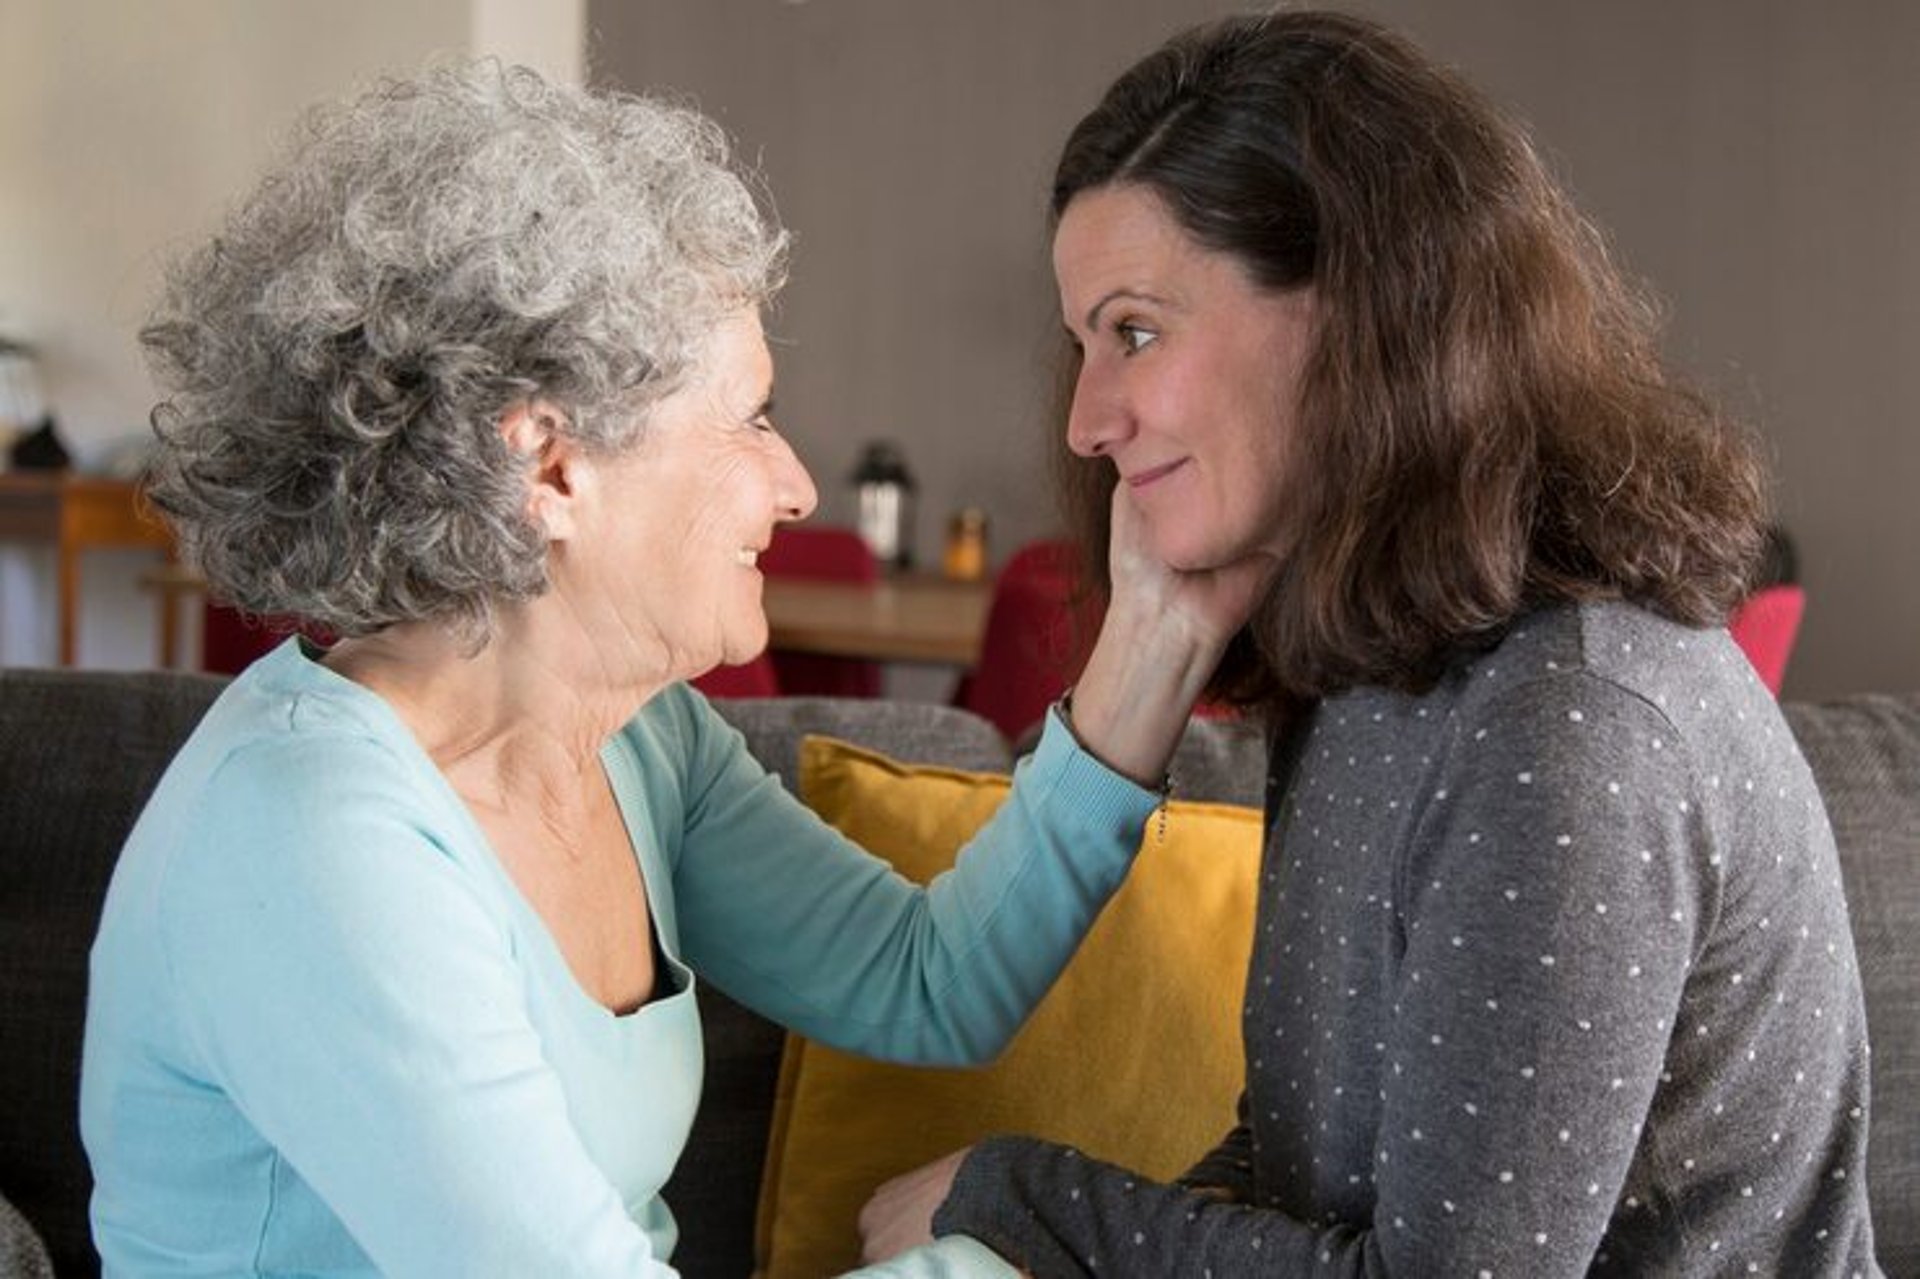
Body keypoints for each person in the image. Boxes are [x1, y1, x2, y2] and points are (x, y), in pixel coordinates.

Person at [79, 63, 1267, 1277]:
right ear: (549, 470)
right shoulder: (314, 837)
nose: (796, 485)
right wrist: (1025, 1250)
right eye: (750, 416)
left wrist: (1160, 630)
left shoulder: (644, 742)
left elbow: (931, 981)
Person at [858, 11, 1880, 1276]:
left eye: (1133, 332)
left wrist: (1015, 1194)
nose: (1084, 422)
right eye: (1082, 346)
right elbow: (1297, 1173)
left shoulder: (1569, 721)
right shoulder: (1376, 670)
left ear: (1354, 311)